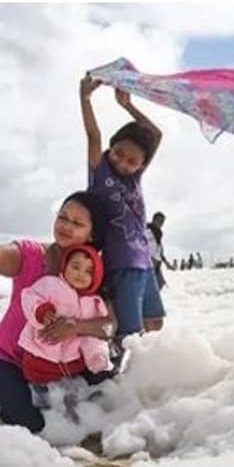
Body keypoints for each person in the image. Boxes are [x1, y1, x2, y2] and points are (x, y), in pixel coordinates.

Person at [0, 189, 116, 434]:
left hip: (59, 367)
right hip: (7, 361)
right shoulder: (31, 255)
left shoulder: (92, 273)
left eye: (77, 223)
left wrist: (76, 327)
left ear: (92, 233)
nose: (66, 226)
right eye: (62, 217)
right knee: (33, 424)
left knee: (104, 393)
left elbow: (109, 326)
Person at [80, 74, 165, 338]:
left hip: (145, 263)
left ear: (141, 165)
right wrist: (85, 98)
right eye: (119, 153)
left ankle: (138, 359)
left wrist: (128, 105)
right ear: (112, 147)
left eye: (132, 162)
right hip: (120, 264)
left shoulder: (135, 177)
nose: (122, 163)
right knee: (130, 334)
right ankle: (121, 361)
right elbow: (93, 136)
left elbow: (156, 135)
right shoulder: (100, 173)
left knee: (154, 322)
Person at [18, 244, 112, 385]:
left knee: (73, 390)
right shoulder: (51, 284)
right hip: (40, 357)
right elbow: (29, 296)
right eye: (76, 267)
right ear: (65, 266)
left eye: (89, 271)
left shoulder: (94, 303)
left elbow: (93, 336)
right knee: (39, 390)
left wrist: (97, 354)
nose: (80, 274)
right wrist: (42, 311)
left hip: (71, 365)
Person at [145, 212, 173, 289]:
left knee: (160, 284)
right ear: (154, 220)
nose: (161, 223)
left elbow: (160, 251)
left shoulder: (158, 234)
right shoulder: (147, 231)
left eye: (162, 222)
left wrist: (166, 263)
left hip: (156, 263)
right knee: (150, 285)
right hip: (148, 261)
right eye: (159, 221)